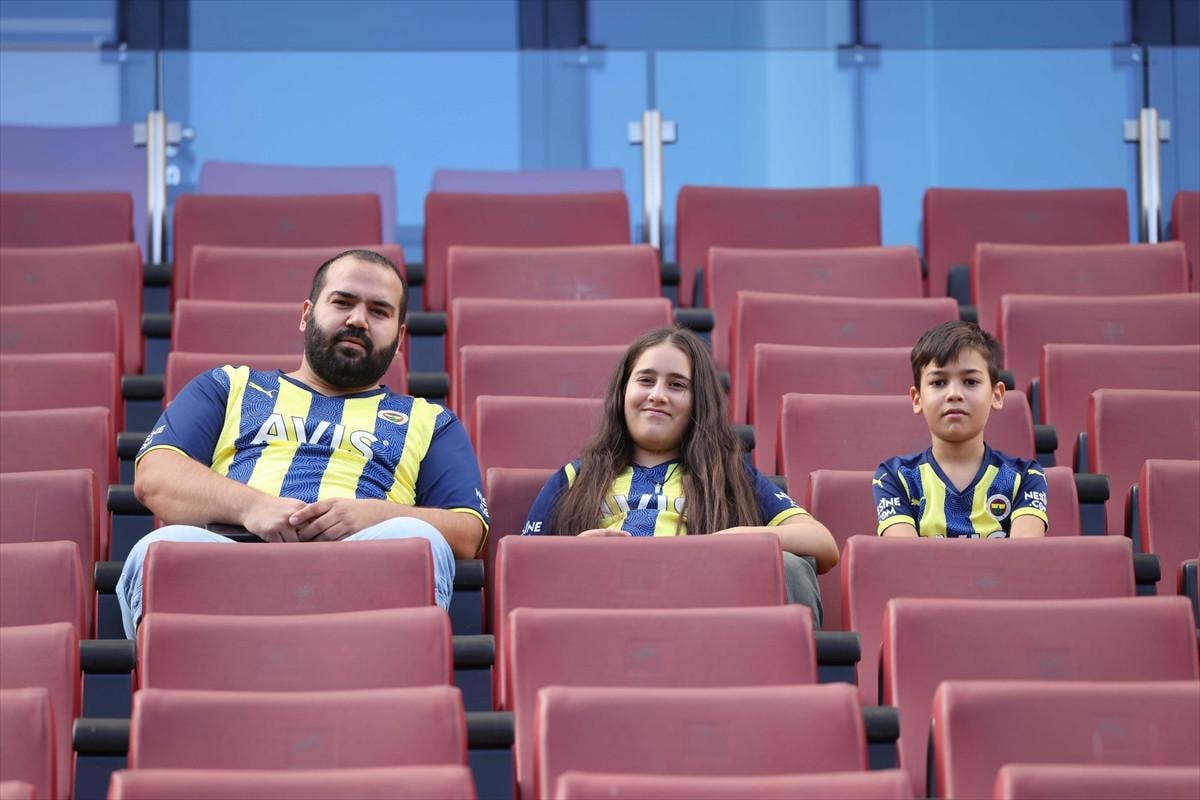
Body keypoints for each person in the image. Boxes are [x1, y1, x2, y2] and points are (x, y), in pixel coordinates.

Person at [116, 248, 488, 637]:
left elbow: (467, 531)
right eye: (342, 302)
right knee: (158, 548)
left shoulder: (430, 420)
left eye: (379, 312)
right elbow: (155, 475)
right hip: (233, 554)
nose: (358, 320)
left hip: (364, 564)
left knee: (421, 541)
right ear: (306, 314)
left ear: (400, 339)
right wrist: (252, 507)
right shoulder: (228, 386)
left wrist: (376, 516)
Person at [521, 326, 838, 627]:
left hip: (706, 619)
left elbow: (823, 544)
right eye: (646, 380)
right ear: (622, 392)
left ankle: (787, 663)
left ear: (699, 402)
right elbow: (524, 571)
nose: (658, 395)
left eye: (677, 385)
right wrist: (573, 554)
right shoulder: (576, 476)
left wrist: (737, 538)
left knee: (790, 566)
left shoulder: (728, 476)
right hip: (602, 613)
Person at [873, 320, 1047, 538]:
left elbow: (1025, 555)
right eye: (938, 383)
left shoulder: (1025, 476)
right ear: (917, 399)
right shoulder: (895, 477)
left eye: (970, 381)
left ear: (996, 395)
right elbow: (906, 556)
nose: (954, 394)